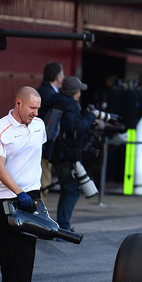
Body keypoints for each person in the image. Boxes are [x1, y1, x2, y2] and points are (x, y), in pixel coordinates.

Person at [0, 86, 46, 282]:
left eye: (38, 108)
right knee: (7, 244)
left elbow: (35, 156)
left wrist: (30, 191)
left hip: (31, 193)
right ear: (18, 103)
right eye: (32, 108)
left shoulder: (39, 126)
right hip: (3, 194)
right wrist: (18, 192)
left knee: (28, 242)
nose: (36, 113)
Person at [45, 76, 96, 232]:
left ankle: (63, 226)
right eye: (79, 90)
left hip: (61, 153)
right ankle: (63, 228)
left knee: (70, 189)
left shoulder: (58, 102)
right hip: (65, 155)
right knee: (71, 190)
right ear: (75, 92)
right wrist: (90, 117)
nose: (80, 93)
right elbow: (76, 128)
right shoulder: (67, 107)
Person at [37, 62, 64, 197]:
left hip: (42, 148)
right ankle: (36, 217)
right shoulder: (50, 96)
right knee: (42, 185)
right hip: (43, 148)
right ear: (58, 77)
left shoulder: (43, 91)